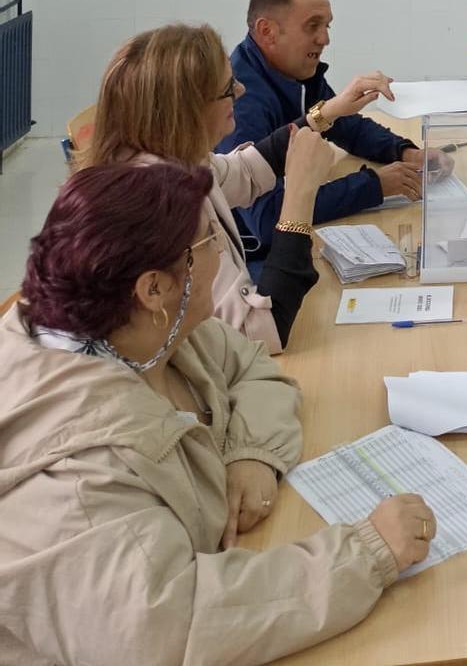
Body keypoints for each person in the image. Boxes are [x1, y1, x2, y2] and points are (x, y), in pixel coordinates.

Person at [0, 163, 437, 665]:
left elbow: (250, 365)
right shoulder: (79, 479)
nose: (218, 251)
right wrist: (367, 553)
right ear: (154, 288)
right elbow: (164, 630)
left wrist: (250, 453)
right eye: (207, 240)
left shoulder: (146, 330)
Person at [81, 23, 338, 351]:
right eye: (228, 88)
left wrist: (325, 114)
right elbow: (258, 332)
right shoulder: (162, 204)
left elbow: (241, 171)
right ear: (186, 110)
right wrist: (301, 193)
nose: (241, 91)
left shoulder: (161, 157)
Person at [219, 0, 441, 255]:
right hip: (253, 258)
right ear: (267, 31)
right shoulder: (241, 103)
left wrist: (406, 152)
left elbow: (343, 125)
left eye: (326, 26)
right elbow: (266, 219)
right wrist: (374, 185)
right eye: (312, 26)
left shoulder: (294, 71)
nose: (325, 39)